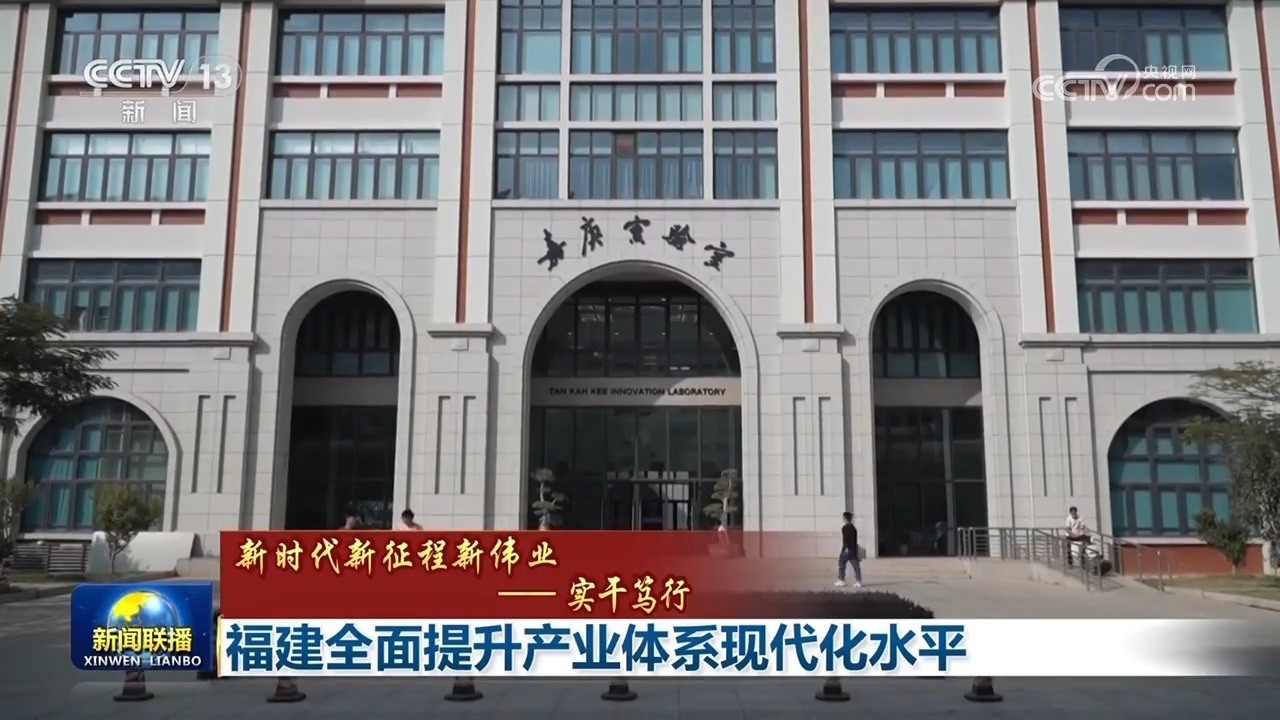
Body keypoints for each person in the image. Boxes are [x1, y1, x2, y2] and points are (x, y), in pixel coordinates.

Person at [834, 511, 863, 588]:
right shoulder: (854, 528)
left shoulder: (845, 528)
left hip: (847, 549)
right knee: (856, 566)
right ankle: (858, 581)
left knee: (841, 563)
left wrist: (845, 549)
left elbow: (845, 540)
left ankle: (841, 580)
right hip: (853, 549)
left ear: (845, 518)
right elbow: (854, 540)